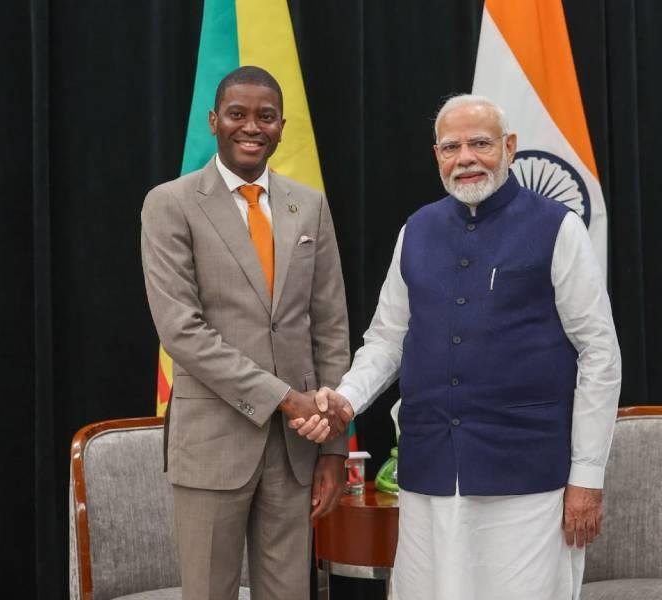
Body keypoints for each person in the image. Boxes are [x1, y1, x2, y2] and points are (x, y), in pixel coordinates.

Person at [293, 94, 622, 599]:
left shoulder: (558, 227)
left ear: (510, 148)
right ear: (437, 156)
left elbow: (599, 355)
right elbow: (387, 338)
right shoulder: (417, 230)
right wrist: (348, 399)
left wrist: (587, 477)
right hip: (429, 476)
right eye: (452, 146)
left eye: (480, 143)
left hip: (528, 477)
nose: (465, 157)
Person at [140, 65, 353, 600]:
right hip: (213, 443)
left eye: (265, 116)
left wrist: (333, 450)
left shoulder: (310, 205)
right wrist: (284, 399)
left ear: (282, 126)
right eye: (237, 114)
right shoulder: (171, 204)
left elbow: (329, 327)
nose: (251, 127)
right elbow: (181, 331)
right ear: (215, 121)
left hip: (297, 451)